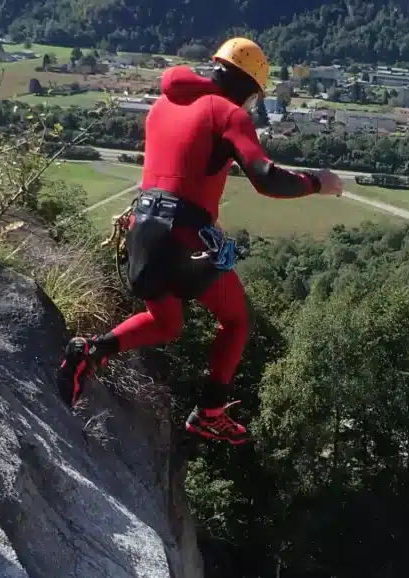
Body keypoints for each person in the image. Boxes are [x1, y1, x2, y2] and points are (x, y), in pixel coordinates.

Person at [56, 37, 343, 445]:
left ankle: (90, 352)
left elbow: (180, 169)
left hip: (140, 232)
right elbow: (265, 177)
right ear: (249, 88)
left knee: (166, 321)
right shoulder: (228, 114)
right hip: (180, 236)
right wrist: (319, 182)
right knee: (237, 319)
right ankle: (208, 413)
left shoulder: (161, 107)